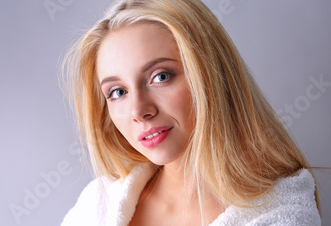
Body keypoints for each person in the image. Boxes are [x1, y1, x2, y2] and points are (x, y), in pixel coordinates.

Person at [60, 0, 321, 225]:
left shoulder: (281, 212)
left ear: (210, 73)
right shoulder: (97, 204)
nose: (139, 111)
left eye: (160, 76)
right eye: (118, 92)